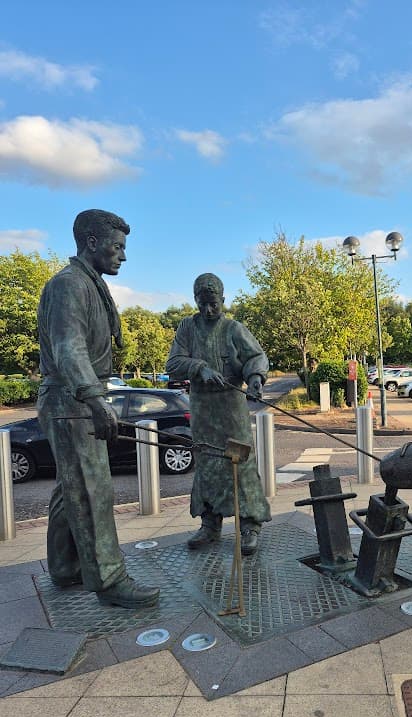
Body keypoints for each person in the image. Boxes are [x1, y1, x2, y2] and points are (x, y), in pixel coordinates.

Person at [37, 209, 160, 608]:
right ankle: (109, 579)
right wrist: (95, 398)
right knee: (92, 490)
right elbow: (68, 347)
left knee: (69, 486)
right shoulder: (70, 285)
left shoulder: (90, 285)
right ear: (92, 242)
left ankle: (63, 566)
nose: (122, 255)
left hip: (73, 398)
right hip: (71, 400)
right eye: (118, 246)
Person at [166, 273, 271, 556]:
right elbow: (173, 363)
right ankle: (210, 523)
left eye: (213, 304)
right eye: (202, 304)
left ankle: (250, 524)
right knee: (208, 464)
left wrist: (256, 378)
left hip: (231, 406)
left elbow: (256, 358)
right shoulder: (187, 328)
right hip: (202, 408)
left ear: (223, 300)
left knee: (241, 463)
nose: (208, 310)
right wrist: (198, 367)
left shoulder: (234, 328)